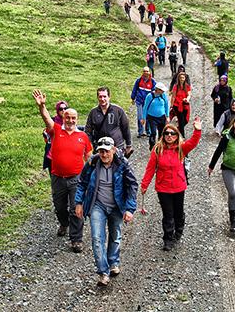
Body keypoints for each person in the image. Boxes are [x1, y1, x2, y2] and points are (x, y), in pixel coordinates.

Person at [33, 90, 91, 253]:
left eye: (73, 118)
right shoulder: (56, 130)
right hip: (58, 177)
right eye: (67, 117)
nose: (70, 120)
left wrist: (91, 175)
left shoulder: (83, 136)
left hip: (76, 179)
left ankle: (76, 239)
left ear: (77, 119)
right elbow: (46, 119)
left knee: (76, 208)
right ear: (63, 118)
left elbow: (89, 157)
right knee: (59, 207)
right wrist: (42, 106)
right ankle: (64, 223)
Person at [75, 136, 138, 287]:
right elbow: (82, 183)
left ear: (114, 150)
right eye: (101, 151)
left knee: (115, 235)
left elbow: (132, 186)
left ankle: (113, 262)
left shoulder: (123, 164)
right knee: (97, 238)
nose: (104, 155)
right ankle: (103, 272)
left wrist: (130, 209)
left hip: (117, 205)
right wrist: (78, 202)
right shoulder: (92, 163)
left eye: (107, 151)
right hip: (98, 205)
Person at [141, 117, 202, 251]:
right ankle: (168, 239)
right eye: (166, 133)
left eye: (172, 133)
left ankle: (178, 231)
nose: (169, 136)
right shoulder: (157, 150)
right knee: (168, 214)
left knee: (178, 213)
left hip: (179, 187)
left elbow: (193, 143)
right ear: (162, 135)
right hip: (163, 188)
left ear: (176, 135)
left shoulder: (181, 148)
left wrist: (197, 130)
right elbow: (150, 169)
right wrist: (144, 184)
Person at [85, 86, 132, 157]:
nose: (102, 99)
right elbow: (88, 131)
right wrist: (89, 145)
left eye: (104, 96)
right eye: (100, 97)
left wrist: (128, 145)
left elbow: (125, 128)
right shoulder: (93, 112)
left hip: (116, 147)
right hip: (100, 148)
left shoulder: (118, 110)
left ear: (109, 97)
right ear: (97, 97)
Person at [43, 100, 69, 173]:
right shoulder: (53, 121)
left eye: (65, 108)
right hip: (53, 156)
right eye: (61, 109)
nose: (63, 110)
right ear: (57, 110)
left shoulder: (70, 121)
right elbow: (46, 135)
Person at [131, 67, 156, 138]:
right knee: (140, 116)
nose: (145, 73)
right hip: (139, 101)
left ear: (149, 72)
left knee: (148, 117)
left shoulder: (153, 81)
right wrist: (133, 98)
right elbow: (134, 89)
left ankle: (148, 131)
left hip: (148, 103)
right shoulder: (138, 81)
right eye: (144, 71)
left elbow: (154, 91)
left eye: (147, 71)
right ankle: (140, 132)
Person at [143, 82, 170, 150]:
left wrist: (167, 116)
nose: (163, 91)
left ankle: (161, 146)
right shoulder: (150, 96)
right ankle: (152, 146)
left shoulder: (163, 95)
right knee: (153, 132)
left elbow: (166, 105)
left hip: (162, 117)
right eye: (162, 90)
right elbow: (145, 107)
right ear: (157, 90)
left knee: (162, 133)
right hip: (152, 118)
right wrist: (143, 118)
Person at [169, 72, 191, 137]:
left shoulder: (187, 86)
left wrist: (187, 99)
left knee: (186, 120)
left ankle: (177, 130)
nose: (182, 79)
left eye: (183, 78)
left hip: (185, 104)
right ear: (178, 78)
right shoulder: (176, 86)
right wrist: (171, 105)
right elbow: (173, 96)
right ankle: (182, 136)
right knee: (181, 120)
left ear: (185, 78)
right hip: (177, 105)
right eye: (180, 78)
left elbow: (189, 94)